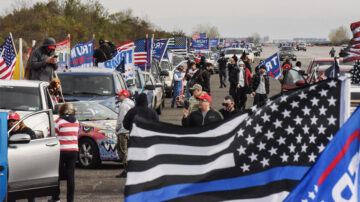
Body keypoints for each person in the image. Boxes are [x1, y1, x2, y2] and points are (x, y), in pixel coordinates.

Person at [50, 103, 79, 202]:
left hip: (61, 150)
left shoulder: (58, 121)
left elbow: (52, 135)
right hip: (73, 150)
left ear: (61, 110)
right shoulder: (76, 122)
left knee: (57, 174)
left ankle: (56, 198)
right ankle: (70, 200)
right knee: (71, 176)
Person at [115, 89, 134, 178]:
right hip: (130, 131)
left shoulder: (123, 105)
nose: (118, 97)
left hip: (123, 131)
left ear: (124, 96)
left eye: (120, 95)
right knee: (128, 151)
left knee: (122, 151)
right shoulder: (132, 104)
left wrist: (117, 129)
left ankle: (127, 170)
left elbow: (121, 119)